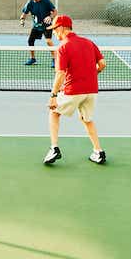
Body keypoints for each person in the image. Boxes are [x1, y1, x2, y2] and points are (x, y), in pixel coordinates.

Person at [43, 15, 106, 166]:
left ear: (62, 28)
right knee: (87, 119)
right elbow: (103, 64)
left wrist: (53, 95)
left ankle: (54, 148)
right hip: (91, 91)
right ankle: (98, 152)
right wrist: (91, 75)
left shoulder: (63, 46)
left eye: (55, 29)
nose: (54, 33)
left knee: (54, 111)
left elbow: (60, 73)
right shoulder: (89, 42)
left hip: (73, 90)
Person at [19, 0, 58, 67]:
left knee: (48, 41)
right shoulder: (30, 2)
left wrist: (50, 17)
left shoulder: (45, 1)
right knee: (30, 41)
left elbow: (55, 11)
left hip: (46, 25)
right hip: (36, 26)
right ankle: (33, 59)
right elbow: (24, 13)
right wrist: (22, 20)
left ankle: (54, 59)